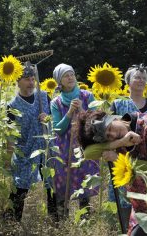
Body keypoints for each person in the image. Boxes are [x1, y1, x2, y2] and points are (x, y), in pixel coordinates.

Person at [109, 64, 147, 228]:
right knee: (124, 202)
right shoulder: (118, 105)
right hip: (122, 161)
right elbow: (109, 132)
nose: (141, 80)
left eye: (144, 77)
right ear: (128, 82)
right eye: (137, 77)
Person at [5, 63, 54, 221]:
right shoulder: (12, 106)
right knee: (21, 185)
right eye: (27, 79)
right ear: (18, 82)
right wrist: (8, 157)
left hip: (46, 148)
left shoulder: (44, 96)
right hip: (25, 150)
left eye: (33, 78)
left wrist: (47, 118)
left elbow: (55, 118)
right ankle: (13, 218)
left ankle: (54, 217)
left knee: (50, 183)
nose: (31, 82)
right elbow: (10, 135)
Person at [50, 63, 99, 218]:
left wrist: (82, 112)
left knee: (84, 182)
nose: (70, 77)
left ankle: (85, 219)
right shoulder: (56, 102)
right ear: (59, 80)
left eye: (71, 74)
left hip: (84, 146)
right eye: (66, 75)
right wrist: (70, 112)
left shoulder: (87, 96)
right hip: (64, 148)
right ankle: (63, 221)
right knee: (63, 183)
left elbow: (96, 121)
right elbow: (58, 129)